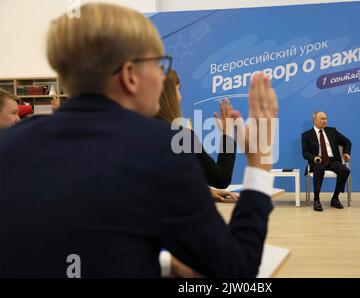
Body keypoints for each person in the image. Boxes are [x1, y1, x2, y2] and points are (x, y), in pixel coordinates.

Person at [0, 3, 278, 277]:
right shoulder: (161, 150)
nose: (162, 77)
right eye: (158, 65)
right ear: (130, 75)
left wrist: (161, 266)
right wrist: (260, 164)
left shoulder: (10, 146)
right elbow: (235, 269)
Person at [156, 69, 237, 189]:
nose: (180, 97)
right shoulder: (180, 135)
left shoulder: (136, 129)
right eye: (178, 89)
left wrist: (205, 192)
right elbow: (221, 179)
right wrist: (228, 134)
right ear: (168, 95)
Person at [301, 111, 352, 212]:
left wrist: (346, 153)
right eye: (322, 119)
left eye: (326, 118)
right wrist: (314, 158)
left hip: (333, 160)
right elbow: (305, 153)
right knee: (319, 170)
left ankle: (335, 198)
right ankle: (316, 200)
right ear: (315, 120)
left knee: (345, 170)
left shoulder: (332, 131)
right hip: (318, 161)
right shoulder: (306, 135)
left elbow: (347, 141)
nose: (325, 121)